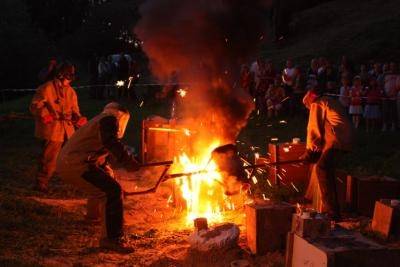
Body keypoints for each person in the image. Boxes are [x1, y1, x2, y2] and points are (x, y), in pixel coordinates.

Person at [56, 103, 140, 253]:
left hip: (71, 161)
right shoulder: (110, 119)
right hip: (76, 163)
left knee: (106, 179)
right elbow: (111, 142)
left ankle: (93, 217)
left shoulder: (100, 120)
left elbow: (101, 148)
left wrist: (112, 167)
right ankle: (111, 239)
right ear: (122, 117)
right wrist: (128, 161)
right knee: (112, 191)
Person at [30, 62, 87, 192]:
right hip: (53, 129)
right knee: (49, 158)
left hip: (68, 130)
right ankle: (41, 183)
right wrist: (45, 114)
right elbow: (35, 105)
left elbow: (75, 110)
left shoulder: (71, 92)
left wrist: (77, 118)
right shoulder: (47, 88)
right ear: (61, 75)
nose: (69, 81)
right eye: (68, 77)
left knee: (72, 155)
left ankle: (72, 179)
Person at [301, 89, 353, 220]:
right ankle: (333, 210)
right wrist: (314, 152)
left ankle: (332, 213)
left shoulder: (317, 104)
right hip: (343, 138)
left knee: (322, 168)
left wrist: (309, 152)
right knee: (325, 168)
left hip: (338, 140)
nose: (308, 109)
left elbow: (313, 129)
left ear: (308, 102)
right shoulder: (328, 102)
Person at [382, 62, 399, 131]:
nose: (392, 67)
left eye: (394, 66)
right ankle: (385, 125)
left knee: (393, 111)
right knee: (385, 111)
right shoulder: (385, 74)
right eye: (391, 66)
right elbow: (381, 83)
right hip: (385, 96)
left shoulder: (398, 74)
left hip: (395, 96)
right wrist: (384, 93)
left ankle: (393, 125)